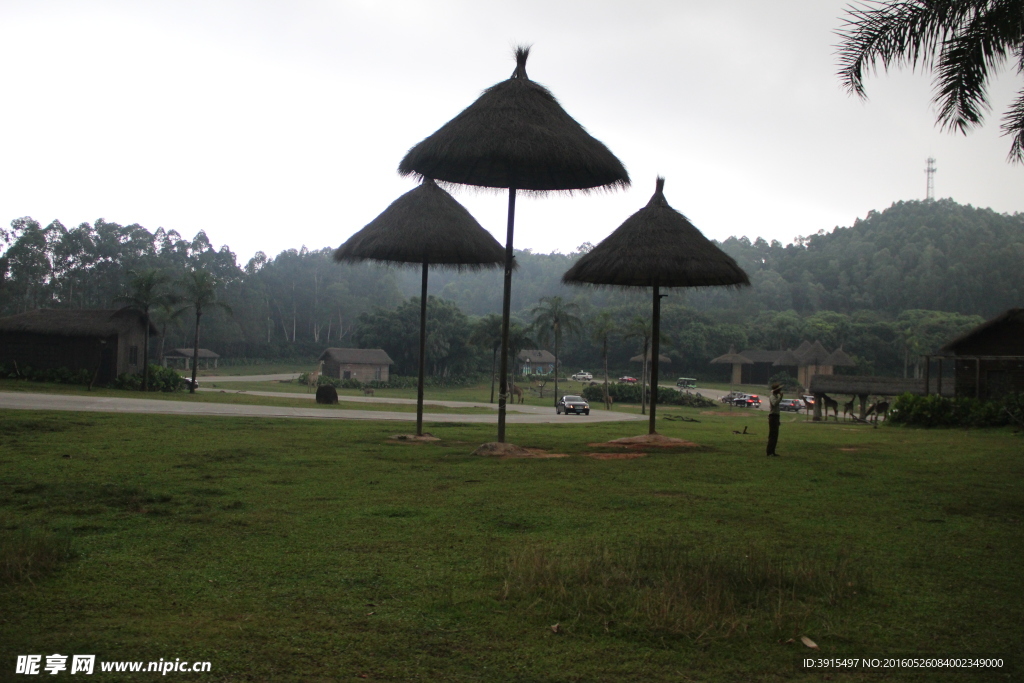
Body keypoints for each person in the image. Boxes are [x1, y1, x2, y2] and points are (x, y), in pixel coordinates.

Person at [766, 382, 783, 457]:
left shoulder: (776, 396)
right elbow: (774, 404)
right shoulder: (772, 397)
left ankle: (773, 451)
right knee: (772, 435)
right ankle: (769, 451)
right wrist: (780, 397)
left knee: (775, 435)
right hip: (773, 416)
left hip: (776, 416)